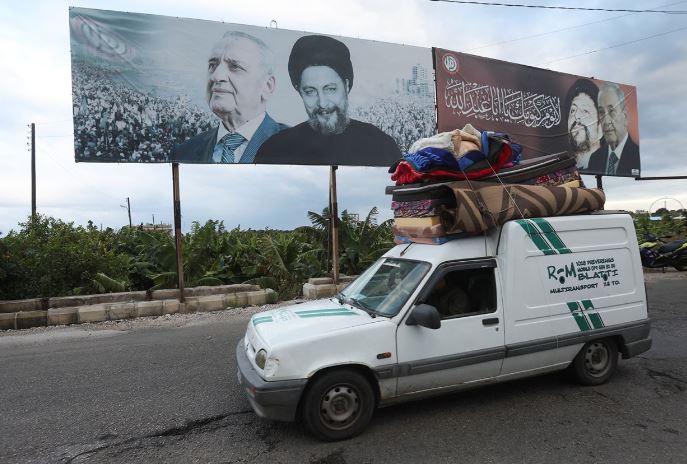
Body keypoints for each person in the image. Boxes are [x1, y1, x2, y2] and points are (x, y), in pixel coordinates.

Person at [254, 35, 401, 166]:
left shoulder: (381, 145)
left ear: (347, 85)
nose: (323, 103)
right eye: (310, 92)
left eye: (330, 89)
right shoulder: (275, 150)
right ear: (299, 91)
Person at [172, 31, 287, 164]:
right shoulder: (185, 151)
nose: (216, 76)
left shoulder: (294, 147)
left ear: (267, 86)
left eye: (235, 67)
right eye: (212, 65)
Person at [587, 82, 640, 176]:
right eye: (601, 112)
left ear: (625, 115)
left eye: (612, 111)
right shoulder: (594, 159)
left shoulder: (636, 156)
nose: (606, 121)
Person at [565, 79, 602, 170]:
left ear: (600, 128)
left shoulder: (609, 165)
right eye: (573, 110)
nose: (576, 116)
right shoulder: (562, 170)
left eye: (585, 111)